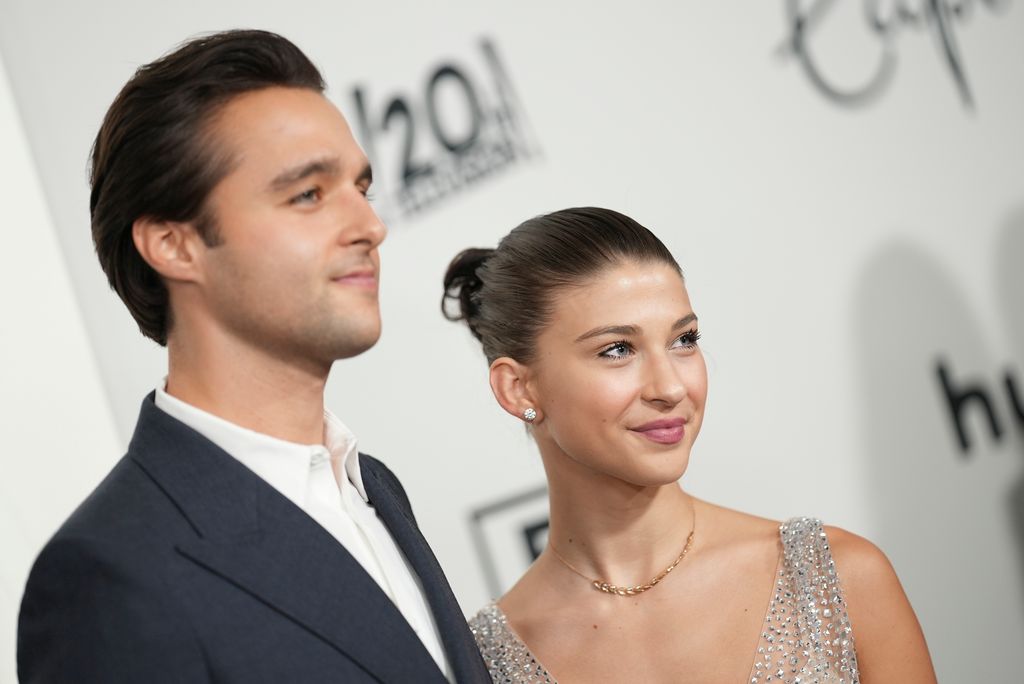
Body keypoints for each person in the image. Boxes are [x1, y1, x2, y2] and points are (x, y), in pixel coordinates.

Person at [17, 29, 489, 683]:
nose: (370, 227)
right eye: (308, 195)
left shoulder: (374, 488)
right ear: (174, 245)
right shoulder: (111, 573)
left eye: (362, 187)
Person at [443, 207, 936, 683]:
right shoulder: (488, 664)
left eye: (684, 340)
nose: (670, 387)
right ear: (519, 389)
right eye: (617, 349)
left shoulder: (831, 576)